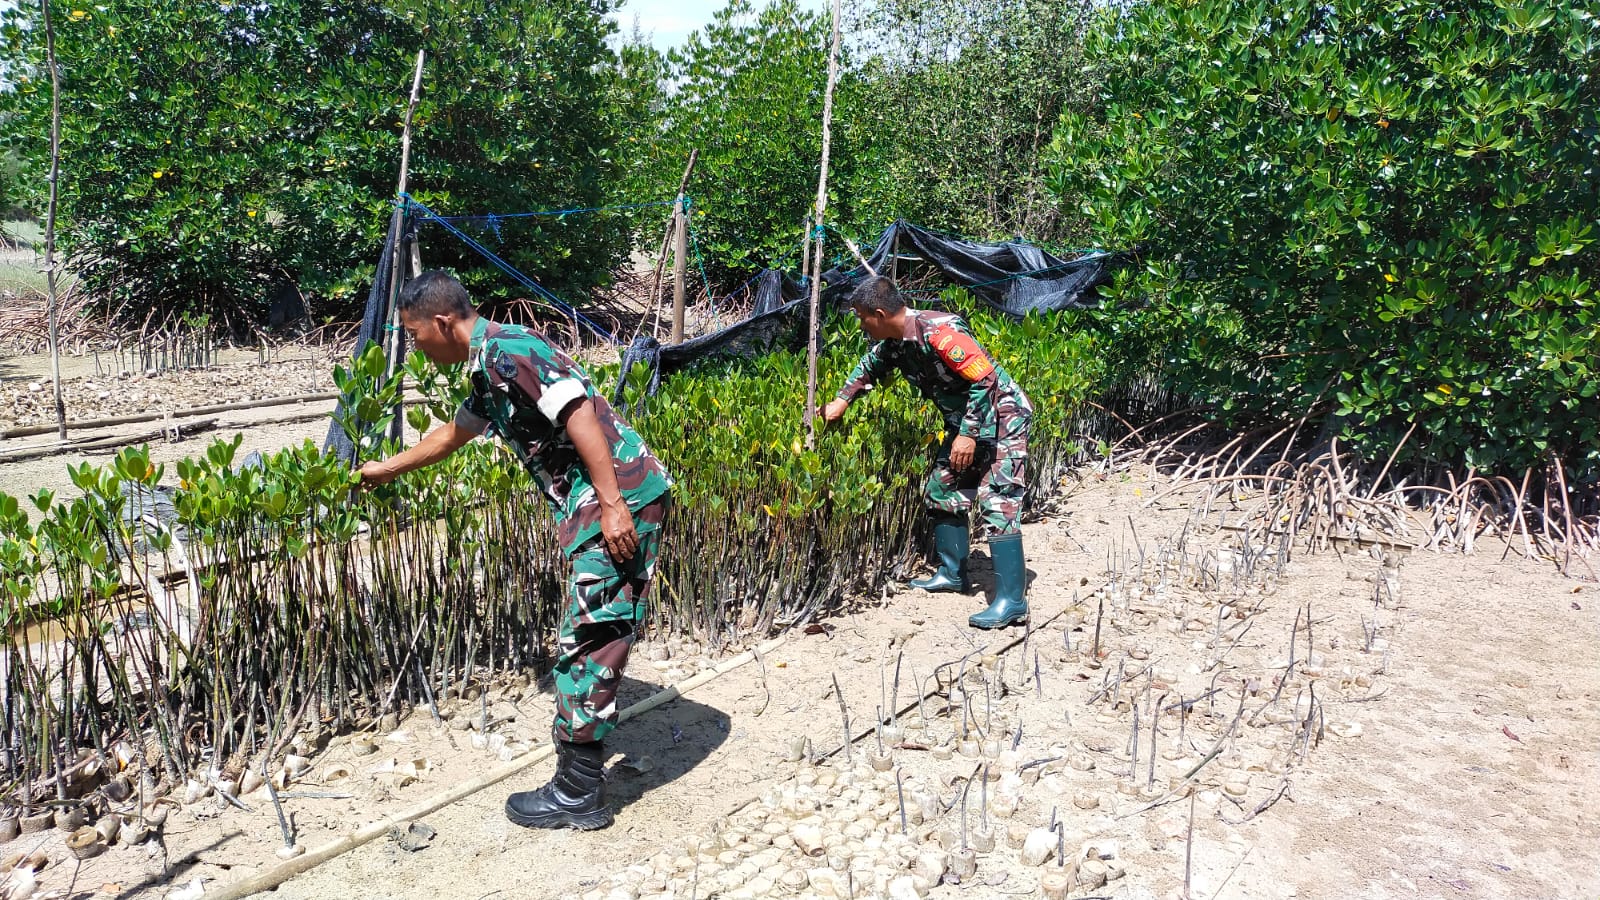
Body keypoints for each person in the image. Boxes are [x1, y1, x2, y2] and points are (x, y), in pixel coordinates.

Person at [358, 270, 672, 831]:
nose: (415, 347)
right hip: (604, 498)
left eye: (414, 334)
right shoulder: (485, 367)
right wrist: (388, 468)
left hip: (617, 495)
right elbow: (457, 432)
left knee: (592, 636)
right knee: (595, 629)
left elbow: (577, 412)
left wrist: (611, 503)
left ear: (442, 322)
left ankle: (578, 793)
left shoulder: (508, 350)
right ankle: (581, 778)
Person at [821, 276, 1033, 629]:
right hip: (963, 422)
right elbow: (869, 366)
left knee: (998, 498)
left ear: (878, 313)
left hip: (1002, 416)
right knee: (943, 488)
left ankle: (1012, 601)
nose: (859, 325)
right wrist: (842, 400)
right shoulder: (895, 342)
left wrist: (967, 435)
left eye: (861, 317)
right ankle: (953, 574)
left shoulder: (939, 332)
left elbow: (984, 378)